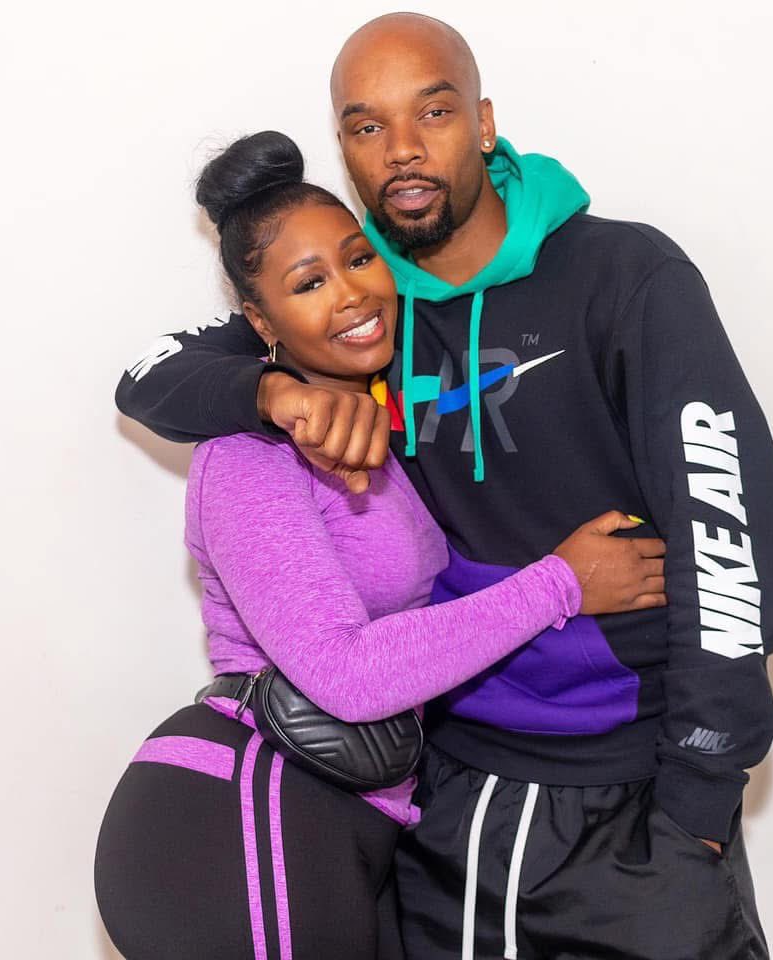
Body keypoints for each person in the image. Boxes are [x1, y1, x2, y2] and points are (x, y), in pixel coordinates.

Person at [115, 14, 773, 960]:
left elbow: (733, 550)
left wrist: (698, 808)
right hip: (443, 803)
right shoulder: (361, 307)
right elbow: (147, 377)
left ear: (482, 123)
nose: (401, 148)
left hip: (636, 797)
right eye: (367, 126)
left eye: (432, 112)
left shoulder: (625, 276)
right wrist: (274, 395)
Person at [95, 130, 667, 960]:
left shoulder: (383, 432)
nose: (351, 294)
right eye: (309, 283)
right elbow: (347, 674)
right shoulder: (248, 455)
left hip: (351, 817)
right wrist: (560, 584)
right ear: (260, 322)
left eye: (359, 259)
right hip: (242, 816)